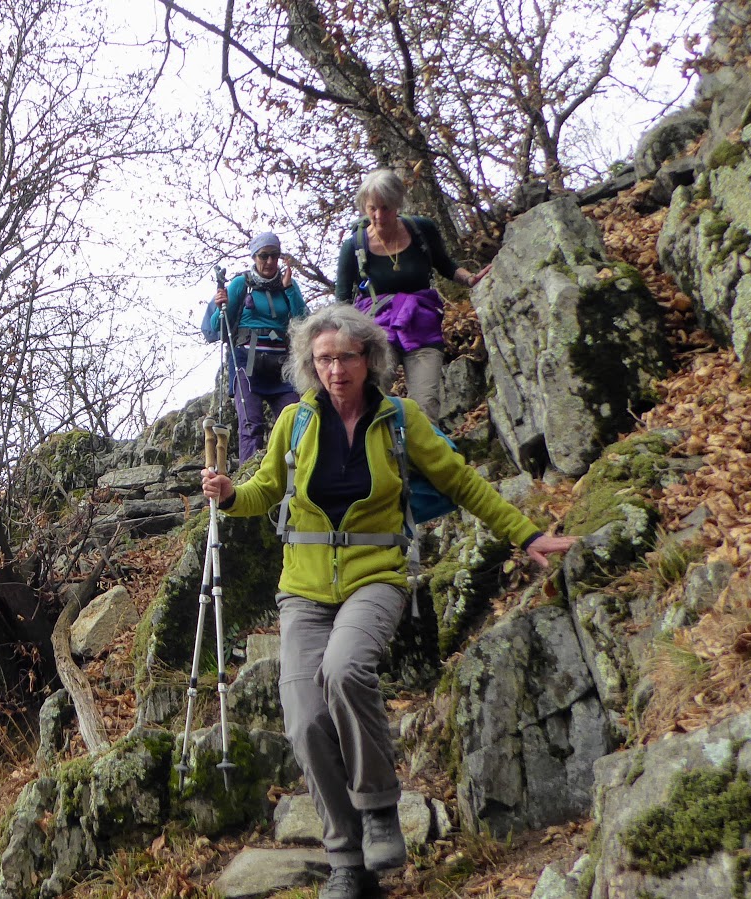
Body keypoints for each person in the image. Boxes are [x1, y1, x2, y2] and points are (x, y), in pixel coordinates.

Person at [199, 305, 576, 899]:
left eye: (346, 357)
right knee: (304, 717)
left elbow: (461, 481)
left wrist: (527, 535)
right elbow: (266, 489)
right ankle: (346, 861)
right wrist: (229, 494)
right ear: (311, 364)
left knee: (345, 670)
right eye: (324, 359)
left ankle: (378, 808)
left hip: (376, 576)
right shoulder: (295, 421)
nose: (336, 370)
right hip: (302, 590)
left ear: (368, 359)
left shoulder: (400, 420)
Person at [334, 170, 492, 423]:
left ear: (397, 203)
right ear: (364, 206)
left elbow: (444, 264)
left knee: (426, 404)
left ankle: (422, 445)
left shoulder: (421, 230)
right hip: (376, 334)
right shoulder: (354, 247)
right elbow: (341, 299)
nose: (378, 216)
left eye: (385, 208)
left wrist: (470, 279)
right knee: (371, 398)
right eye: (372, 208)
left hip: (422, 327)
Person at [201, 231, 309, 463]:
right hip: (246, 364)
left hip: (283, 366)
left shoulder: (288, 285)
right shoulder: (241, 284)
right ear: (254, 257)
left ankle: (293, 474)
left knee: (296, 423)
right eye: (263, 256)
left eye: (274, 255)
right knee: (251, 425)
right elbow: (219, 326)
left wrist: (289, 289)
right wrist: (221, 306)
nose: (269, 261)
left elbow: (304, 321)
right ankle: (249, 477)